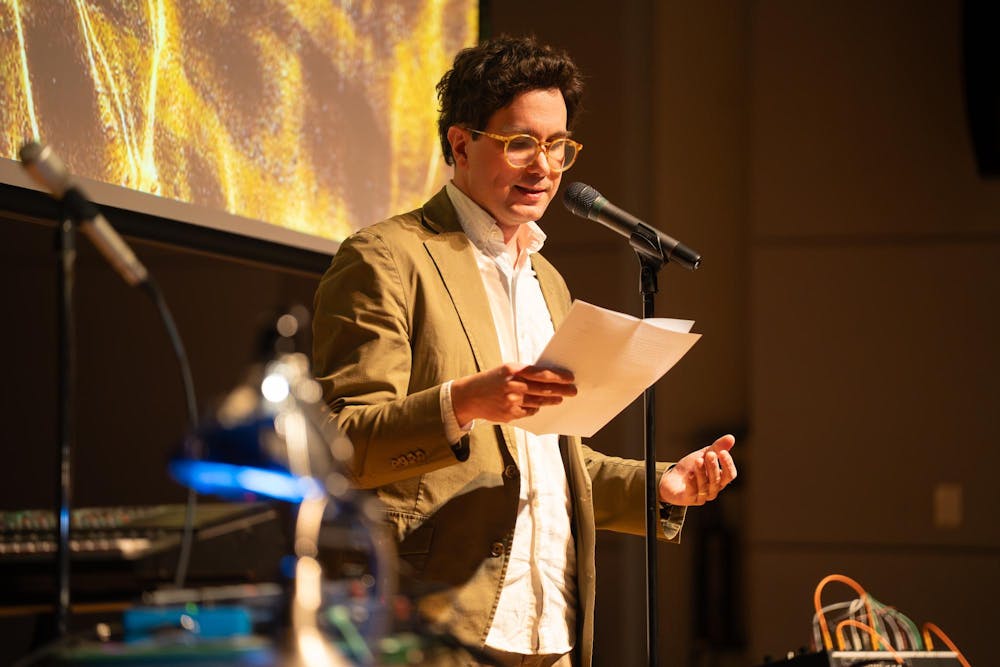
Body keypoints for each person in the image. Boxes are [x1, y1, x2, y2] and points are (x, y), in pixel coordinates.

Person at [312, 35, 737, 666]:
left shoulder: (548, 282)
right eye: (520, 143)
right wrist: (464, 402)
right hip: (440, 627)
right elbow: (338, 442)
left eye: (558, 146)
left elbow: (555, 463)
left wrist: (663, 486)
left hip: (553, 627)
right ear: (461, 144)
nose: (544, 166)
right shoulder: (387, 258)